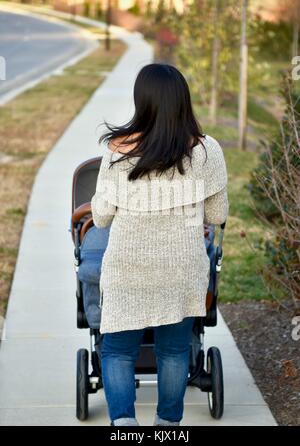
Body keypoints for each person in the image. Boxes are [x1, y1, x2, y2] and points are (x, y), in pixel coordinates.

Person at [91, 63, 229, 426]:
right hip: (181, 268)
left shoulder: (118, 152)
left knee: (119, 352)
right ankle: (167, 426)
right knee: (173, 351)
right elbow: (217, 214)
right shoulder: (206, 150)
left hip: (127, 268)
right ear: (182, 101)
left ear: (142, 102)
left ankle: (123, 426)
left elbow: (102, 216)